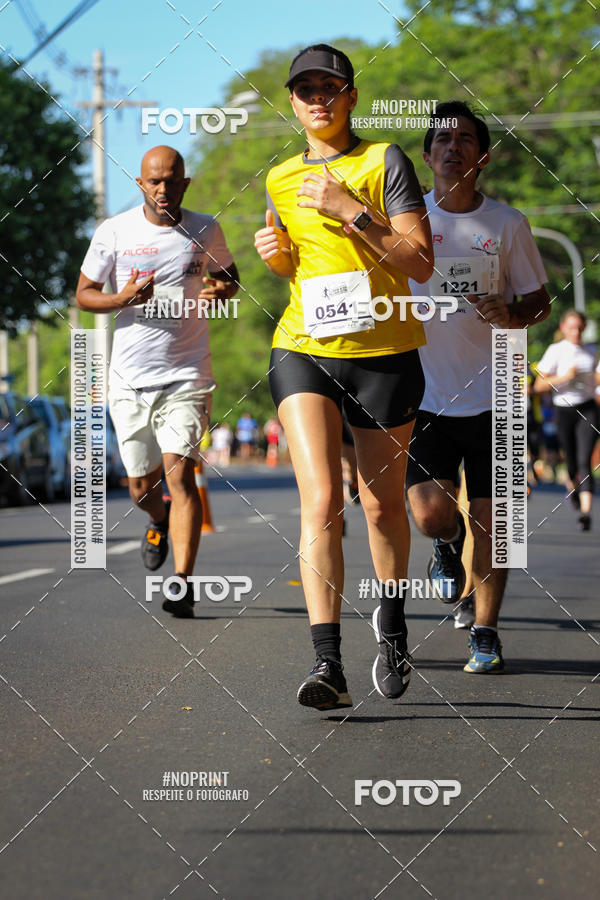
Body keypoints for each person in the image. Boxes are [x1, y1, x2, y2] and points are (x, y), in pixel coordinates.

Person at [254, 44, 433, 710]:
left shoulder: (384, 160)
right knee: (323, 499)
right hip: (303, 347)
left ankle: (393, 629)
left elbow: (419, 261)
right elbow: (297, 265)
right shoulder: (278, 178)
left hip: (384, 352)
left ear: (352, 96)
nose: (318, 99)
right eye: (305, 89)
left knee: (382, 505)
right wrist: (276, 257)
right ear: (292, 101)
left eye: (330, 87)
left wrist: (349, 208)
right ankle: (327, 664)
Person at [405, 101, 550, 673]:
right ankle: (447, 545)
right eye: (442, 139)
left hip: (500, 391)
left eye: (465, 138)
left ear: (482, 157)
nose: (453, 146)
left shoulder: (507, 224)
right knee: (431, 515)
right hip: (424, 395)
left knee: (498, 524)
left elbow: (539, 301)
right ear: (426, 156)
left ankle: (485, 632)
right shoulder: (407, 222)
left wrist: (514, 314)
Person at [76, 145, 238, 617]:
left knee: (180, 474)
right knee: (141, 488)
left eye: (171, 180)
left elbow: (229, 277)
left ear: (185, 183)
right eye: (154, 181)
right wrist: (122, 298)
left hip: (187, 373)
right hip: (129, 379)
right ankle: (159, 519)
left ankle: (182, 583)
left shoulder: (205, 228)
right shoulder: (115, 231)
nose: (163, 189)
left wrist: (224, 289)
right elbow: (84, 294)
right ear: (141, 184)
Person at [534, 310, 600, 530]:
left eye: (580, 328)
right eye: (572, 328)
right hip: (563, 410)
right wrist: (565, 377)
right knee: (571, 461)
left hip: (587, 409)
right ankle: (574, 489)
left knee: (584, 460)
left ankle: (585, 512)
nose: (576, 332)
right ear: (563, 328)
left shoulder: (592, 351)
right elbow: (539, 386)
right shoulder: (556, 351)